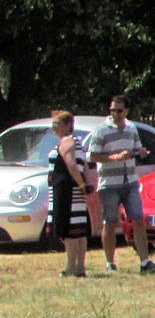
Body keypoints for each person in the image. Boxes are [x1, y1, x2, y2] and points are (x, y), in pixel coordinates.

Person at [86, 94, 155, 275]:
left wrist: (141, 152)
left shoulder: (131, 128)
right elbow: (92, 155)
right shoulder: (101, 131)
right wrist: (114, 158)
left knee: (138, 219)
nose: (115, 114)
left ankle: (145, 263)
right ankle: (110, 263)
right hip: (109, 184)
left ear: (127, 111)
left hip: (130, 181)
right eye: (112, 110)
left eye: (119, 110)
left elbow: (137, 148)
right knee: (110, 223)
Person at [47, 110, 91, 277]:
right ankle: (80, 268)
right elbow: (84, 166)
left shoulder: (66, 142)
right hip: (76, 191)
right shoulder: (77, 142)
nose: (54, 127)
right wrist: (84, 185)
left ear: (67, 125)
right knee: (78, 229)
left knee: (68, 230)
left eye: (56, 124)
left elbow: (72, 165)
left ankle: (71, 267)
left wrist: (80, 184)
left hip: (66, 191)